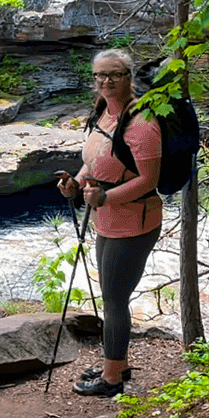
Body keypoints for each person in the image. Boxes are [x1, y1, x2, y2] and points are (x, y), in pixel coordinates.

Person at [57, 48, 162, 397]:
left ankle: (113, 378)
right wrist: (76, 183)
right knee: (111, 297)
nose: (106, 80)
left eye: (115, 74)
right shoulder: (104, 112)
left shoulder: (142, 123)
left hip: (135, 221)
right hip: (107, 219)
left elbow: (148, 180)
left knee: (115, 301)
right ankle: (116, 363)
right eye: (101, 74)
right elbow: (95, 159)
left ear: (129, 76)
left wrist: (105, 198)